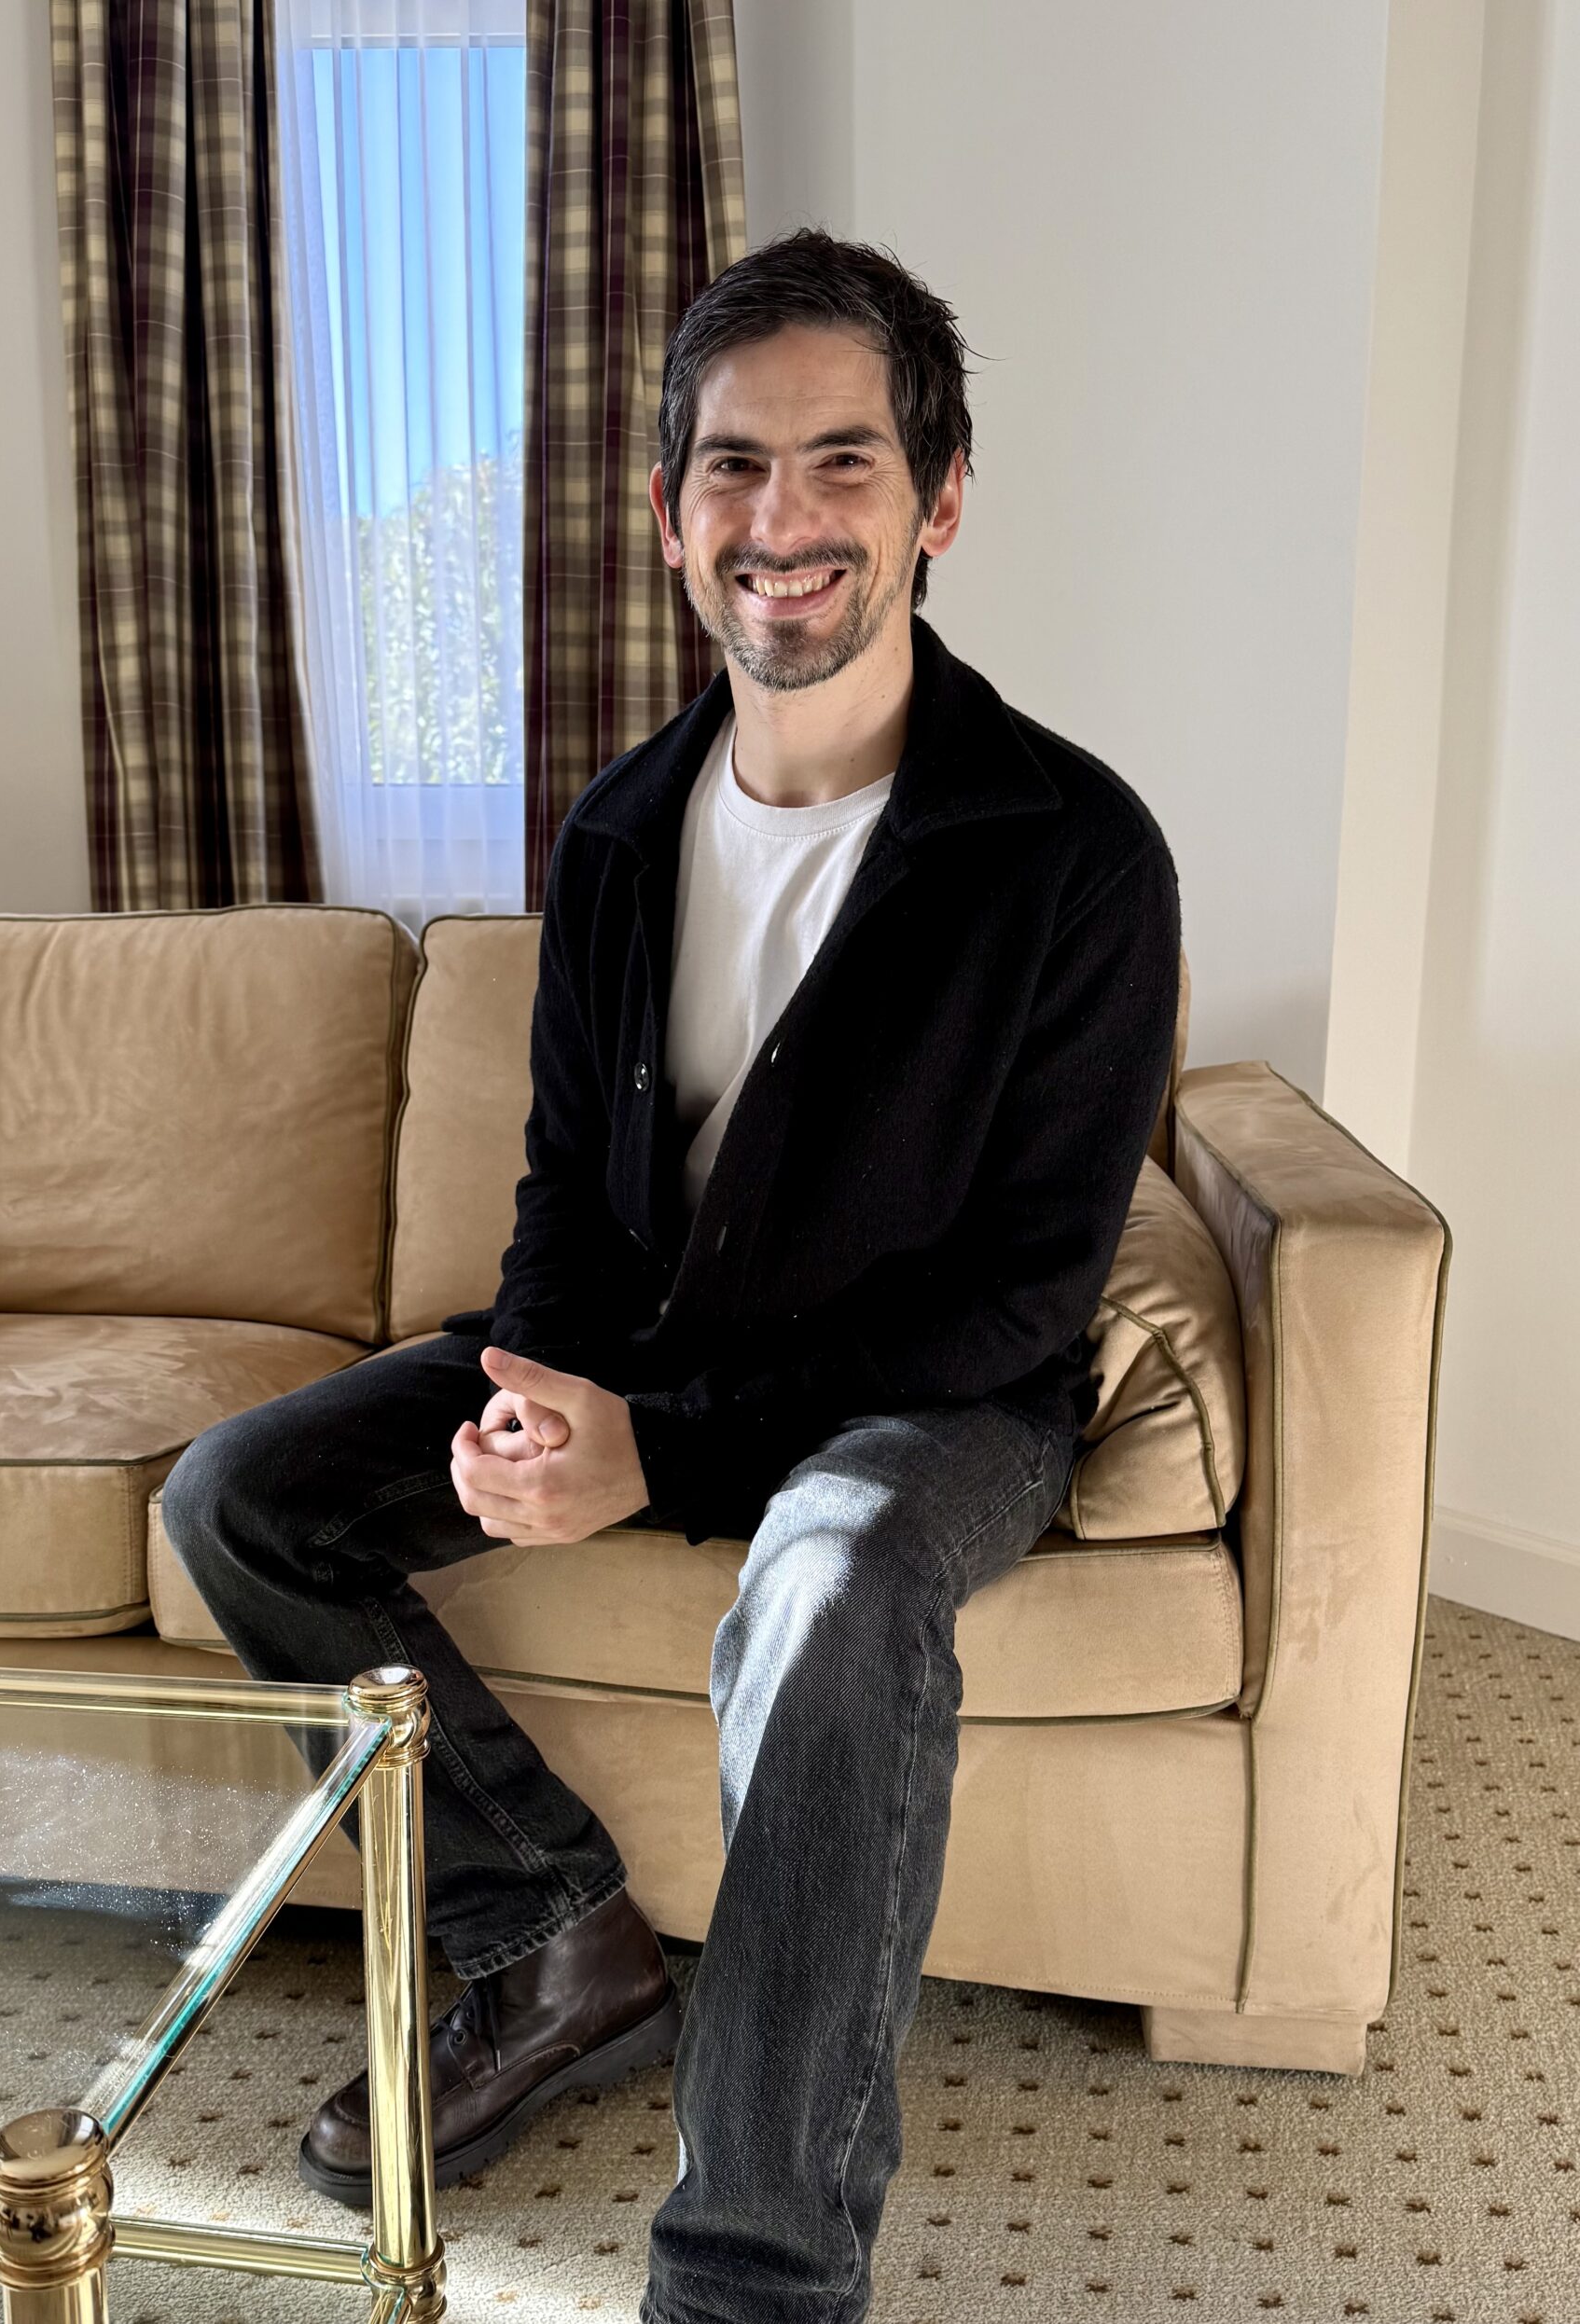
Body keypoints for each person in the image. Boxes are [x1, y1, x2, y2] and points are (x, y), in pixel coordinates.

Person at [163, 228, 1181, 2324]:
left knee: (831, 1584)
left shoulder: (1078, 853)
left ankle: (751, 2281)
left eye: (843, 461)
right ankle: (553, 1936)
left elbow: (1021, 1292)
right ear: (668, 513)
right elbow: (571, 1183)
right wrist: (537, 1385)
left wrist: (669, 1452)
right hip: (659, 1349)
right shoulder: (620, 829)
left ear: (941, 501)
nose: (782, 519)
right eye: (734, 466)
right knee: (236, 1497)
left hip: (937, 1402)